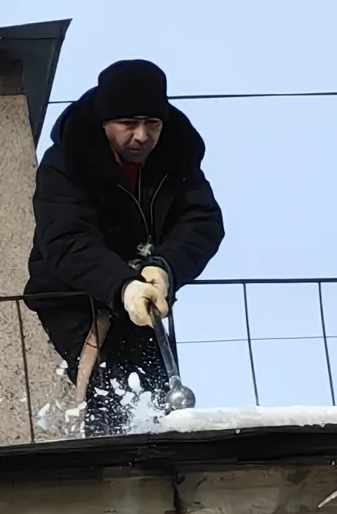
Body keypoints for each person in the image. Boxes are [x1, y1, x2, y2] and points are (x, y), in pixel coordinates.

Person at [25, 59, 223, 434]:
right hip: (74, 296)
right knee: (107, 392)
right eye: (128, 124)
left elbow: (202, 223)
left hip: (148, 289)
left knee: (159, 395)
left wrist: (165, 267)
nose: (142, 136)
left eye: (152, 124)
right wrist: (122, 285)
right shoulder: (65, 162)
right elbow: (65, 238)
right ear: (105, 123)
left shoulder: (178, 156)